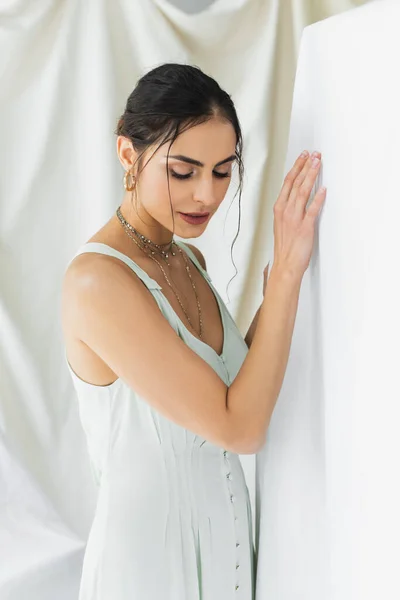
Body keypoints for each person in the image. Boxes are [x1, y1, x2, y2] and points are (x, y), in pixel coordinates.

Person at [61, 62, 325, 600]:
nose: (207, 194)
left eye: (223, 171)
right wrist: (288, 277)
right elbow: (240, 427)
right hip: (148, 570)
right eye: (184, 171)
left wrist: (292, 269)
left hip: (227, 556)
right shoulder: (98, 282)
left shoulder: (190, 260)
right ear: (127, 155)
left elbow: (240, 383)